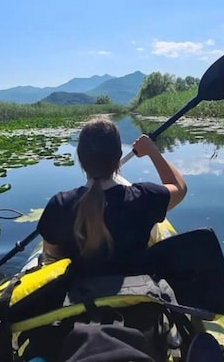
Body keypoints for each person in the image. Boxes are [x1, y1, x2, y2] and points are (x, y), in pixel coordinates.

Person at [36, 116, 187, 274]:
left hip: (81, 294)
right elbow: (179, 187)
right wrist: (152, 151)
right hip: (135, 293)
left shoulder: (60, 205)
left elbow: (51, 256)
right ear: (119, 155)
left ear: (80, 157)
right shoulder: (145, 197)